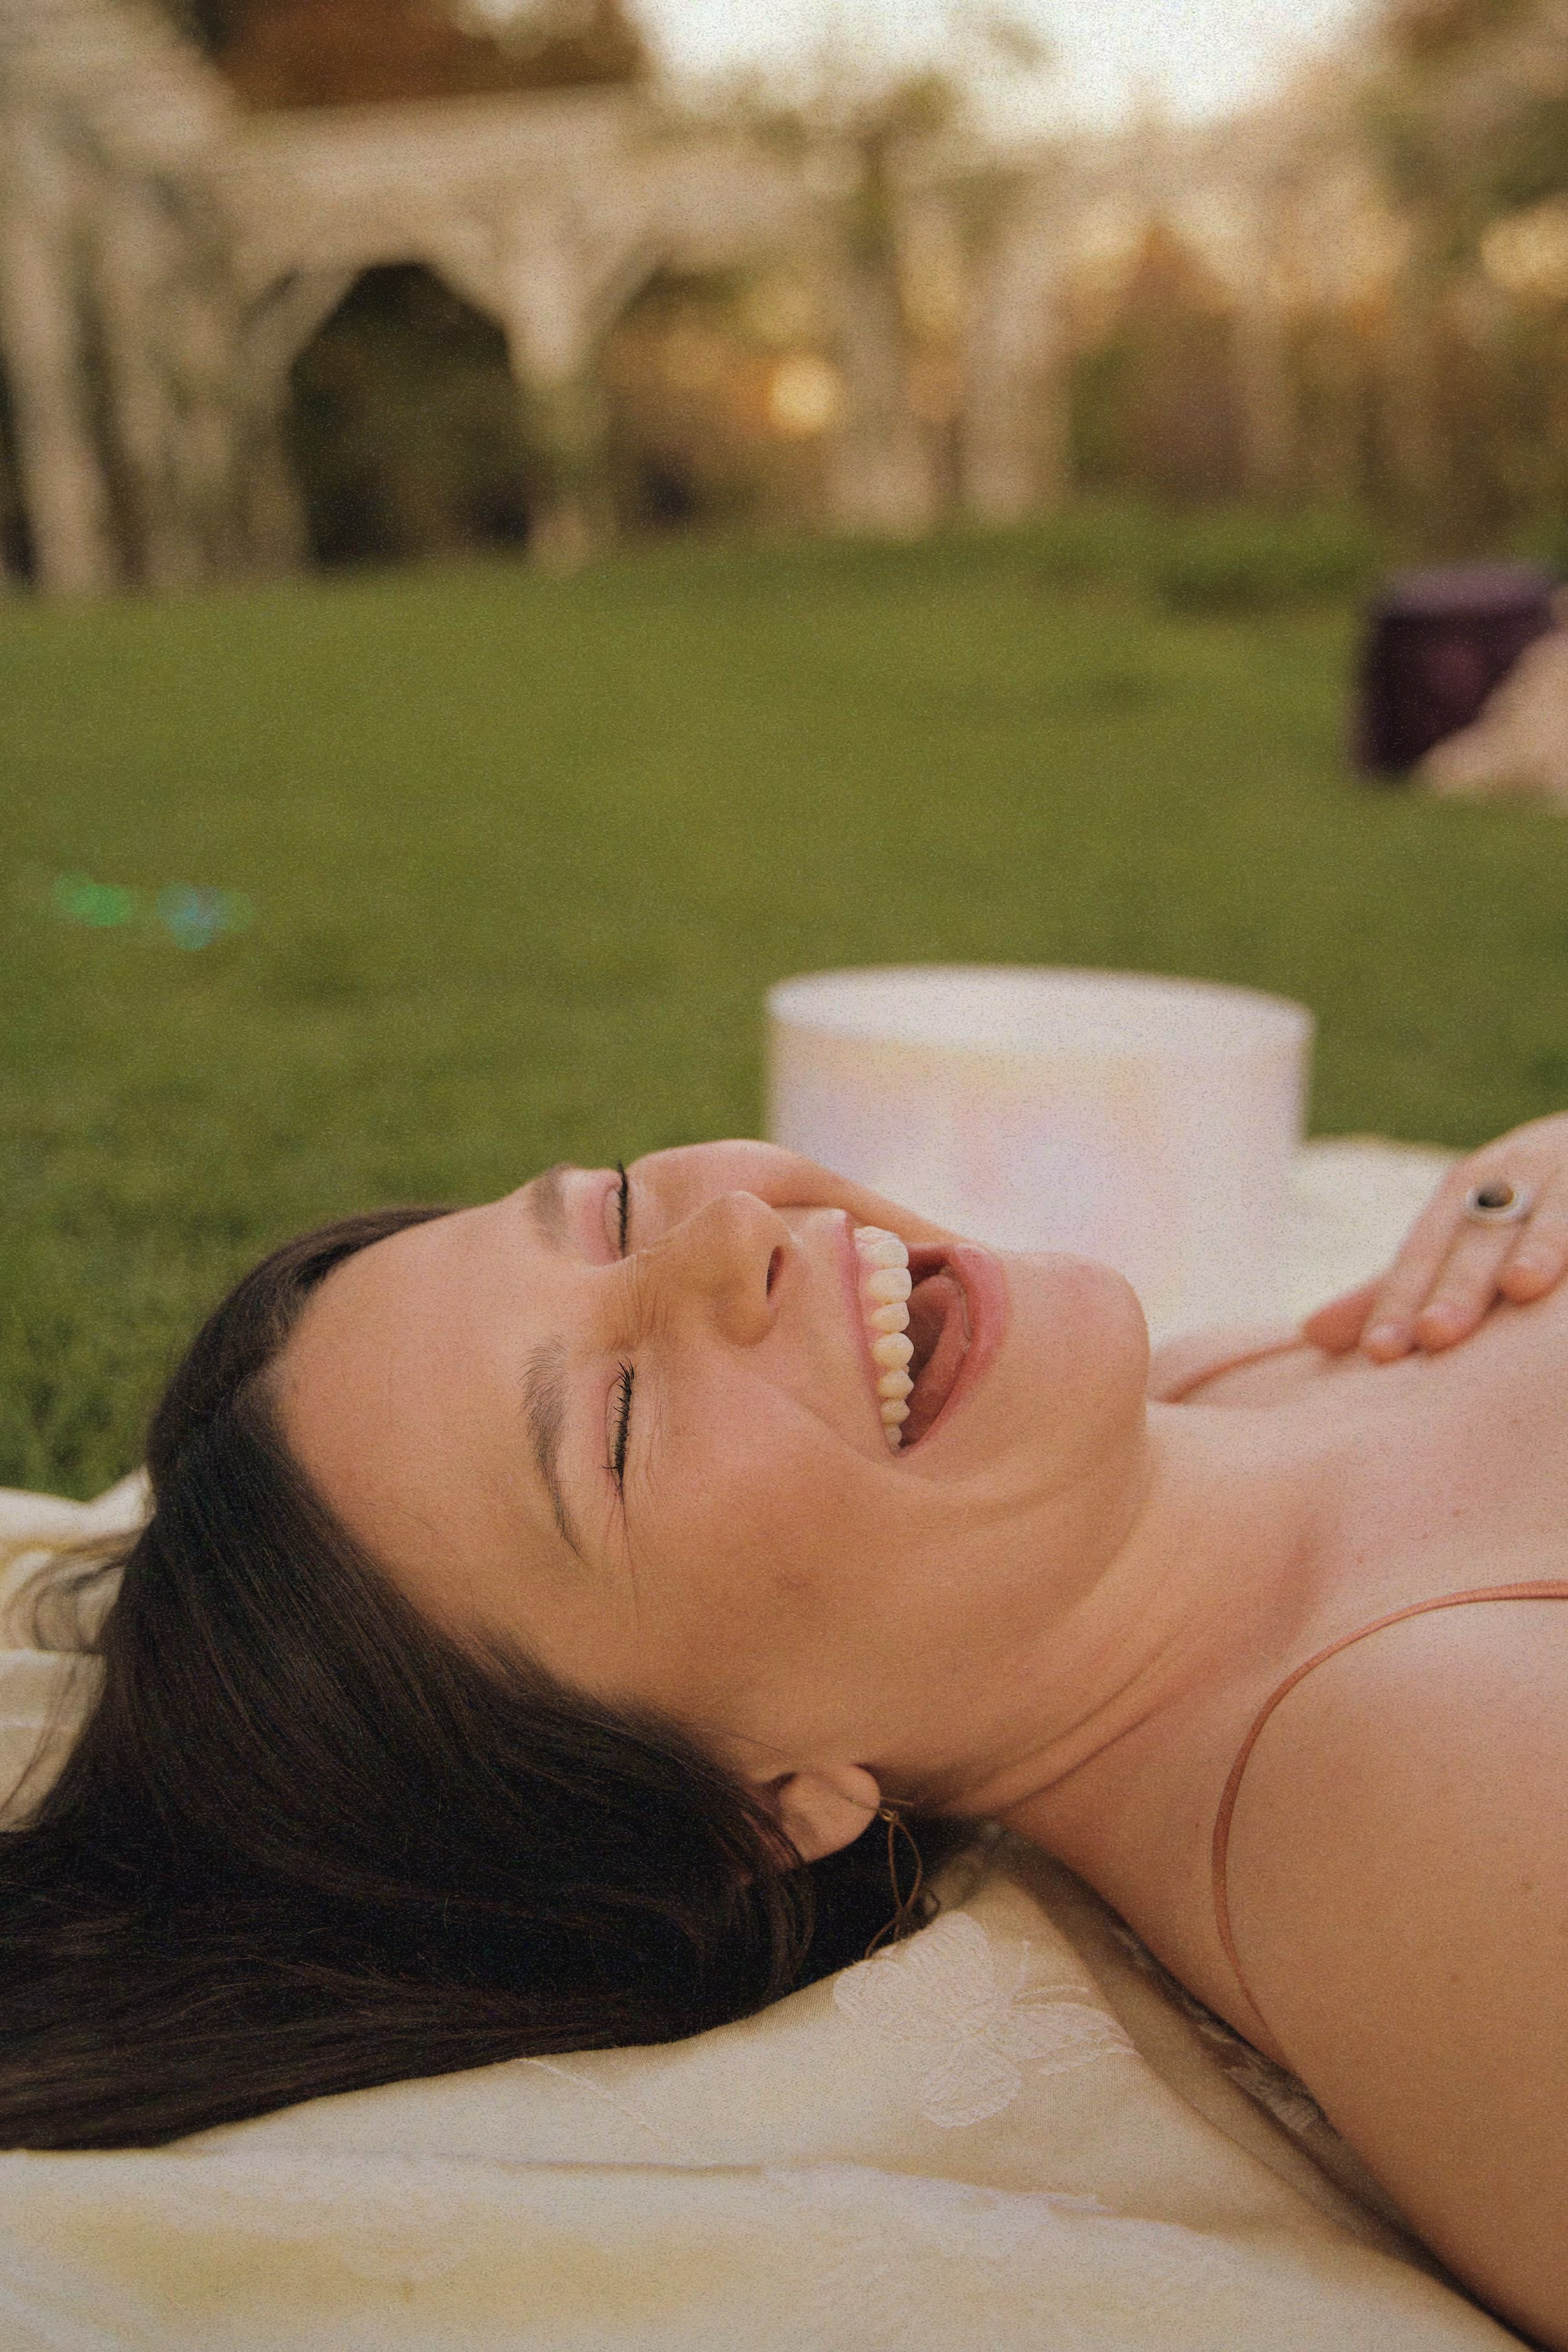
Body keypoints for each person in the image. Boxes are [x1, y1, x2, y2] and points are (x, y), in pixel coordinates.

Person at [3, 1123, 1567, 2345]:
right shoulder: (1409, 1788)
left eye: (613, 1210)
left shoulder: (1207, 1399)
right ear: (766, 1808)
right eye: (614, 1425)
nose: (729, 1239)